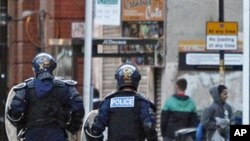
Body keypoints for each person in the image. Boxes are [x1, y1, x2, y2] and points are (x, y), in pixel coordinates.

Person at [6, 52, 85, 141]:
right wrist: (72, 127)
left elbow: (14, 111)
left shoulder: (25, 88)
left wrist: (22, 126)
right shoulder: (65, 87)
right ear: (53, 68)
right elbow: (78, 107)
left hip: (32, 135)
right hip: (57, 134)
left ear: (34, 69)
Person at [84, 63, 158, 141]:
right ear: (136, 80)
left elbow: (96, 130)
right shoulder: (142, 103)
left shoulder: (109, 101)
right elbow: (149, 126)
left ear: (118, 79)